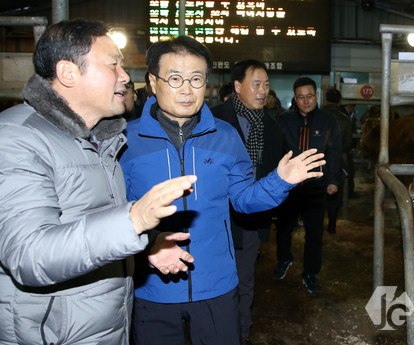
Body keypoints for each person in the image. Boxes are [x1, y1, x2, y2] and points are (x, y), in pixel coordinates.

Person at [0, 19, 197, 345]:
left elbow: (89, 227)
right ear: (68, 73)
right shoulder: (17, 138)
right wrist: (133, 221)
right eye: (113, 64)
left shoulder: (101, 141)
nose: (124, 76)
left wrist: (145, 243)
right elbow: (28, 254)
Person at [119, 36, 325, 345]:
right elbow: (112, 210)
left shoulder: (225, 136)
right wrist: (147, 246)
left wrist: (279, 180)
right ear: (152, 81)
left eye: (196, 79)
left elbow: (244, 200)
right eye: (175, 79)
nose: (187, 90)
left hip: (216, 283)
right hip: (152, 287)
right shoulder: (125, 141)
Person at [211, 59, 279, 345]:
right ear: (238, 86)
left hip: (250, 218)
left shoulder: (272, 126)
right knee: (214, 279)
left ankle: (241, 333)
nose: (263, 90)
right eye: (256, 84)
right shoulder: (212, 120)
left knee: (244, 279)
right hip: (214, 216)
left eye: (265, 84)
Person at [273, 77, 342, 294]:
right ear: (295, 98)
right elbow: (277, 151)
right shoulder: (283, 120)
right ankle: (284, 259)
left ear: (317, 96)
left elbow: (334, 152)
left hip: (316, 186)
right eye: (301, 97)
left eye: (309, 96)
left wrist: (332, 180)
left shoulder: (328, 121)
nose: (305, 101)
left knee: (314, 233)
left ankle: (311, 274)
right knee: (283, 228)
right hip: (289, 187)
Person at [321, 87, 352, 234]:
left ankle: (315, 224)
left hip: (317, 160)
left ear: (325, 99)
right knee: (335, 195)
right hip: (338, 160)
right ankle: (332, 226)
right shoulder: (345, 119)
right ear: (339, 102)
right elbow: (347, 143)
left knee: (317, 193)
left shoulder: (317, 116)